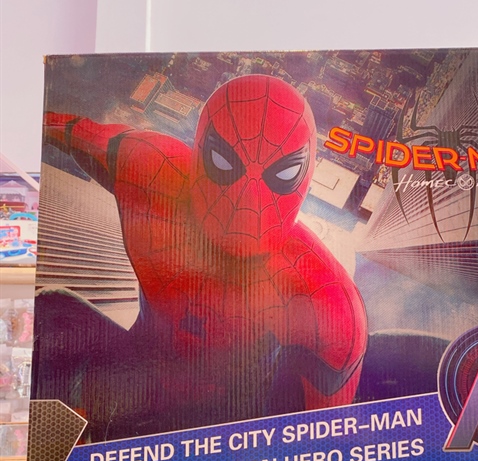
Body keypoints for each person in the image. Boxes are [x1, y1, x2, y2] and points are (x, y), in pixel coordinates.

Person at [36, 74, 367, 441]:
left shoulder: (324, 299)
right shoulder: (149, 168)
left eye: (282, 173)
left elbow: (325, 439)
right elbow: (62, 128)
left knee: (53, 307)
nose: (246, 199)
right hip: (132, 378)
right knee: (49, 308)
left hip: (214, 432)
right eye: (224, 161)